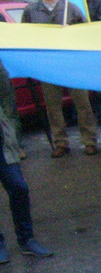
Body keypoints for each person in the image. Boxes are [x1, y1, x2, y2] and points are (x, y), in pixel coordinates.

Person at [22, 0, 99, 158]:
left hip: (72, 64)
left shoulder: (70, 8)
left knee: (83, 105)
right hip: (48, 65)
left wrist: (71, 32)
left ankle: (89, 141)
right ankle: (60, 142)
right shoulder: (31, 10)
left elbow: (86, 32)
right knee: (53, 107)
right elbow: (25, 34)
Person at [0, 59, 53, 262]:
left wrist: (12, 132)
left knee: (19, 187)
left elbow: (7, 99)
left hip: (2, 141)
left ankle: (27, 240)